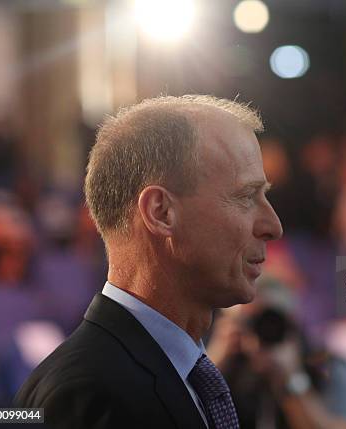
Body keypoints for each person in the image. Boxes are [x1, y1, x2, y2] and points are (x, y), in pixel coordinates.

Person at [14, 95, 283, 428]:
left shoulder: (180, 374)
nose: (273, 225)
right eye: (246, 196)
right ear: (161, 212)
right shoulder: (86, 396)